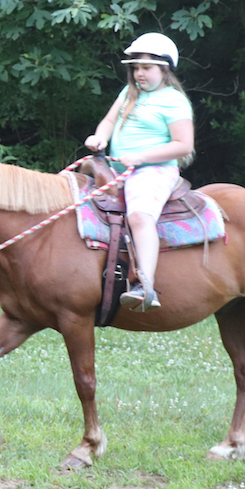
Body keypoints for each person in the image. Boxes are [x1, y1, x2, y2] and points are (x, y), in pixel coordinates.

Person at [84, 32, 194, 312]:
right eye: (135, 68)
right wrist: (99, 137)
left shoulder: (174, 101)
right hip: (118, 170)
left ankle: (145, 285)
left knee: (139, 216)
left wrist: (141, 157)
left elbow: (184, 145)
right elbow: (109, 121)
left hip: (154, 171)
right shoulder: (128, 93)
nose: (139, 74)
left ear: (164, 69)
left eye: (146, 68)